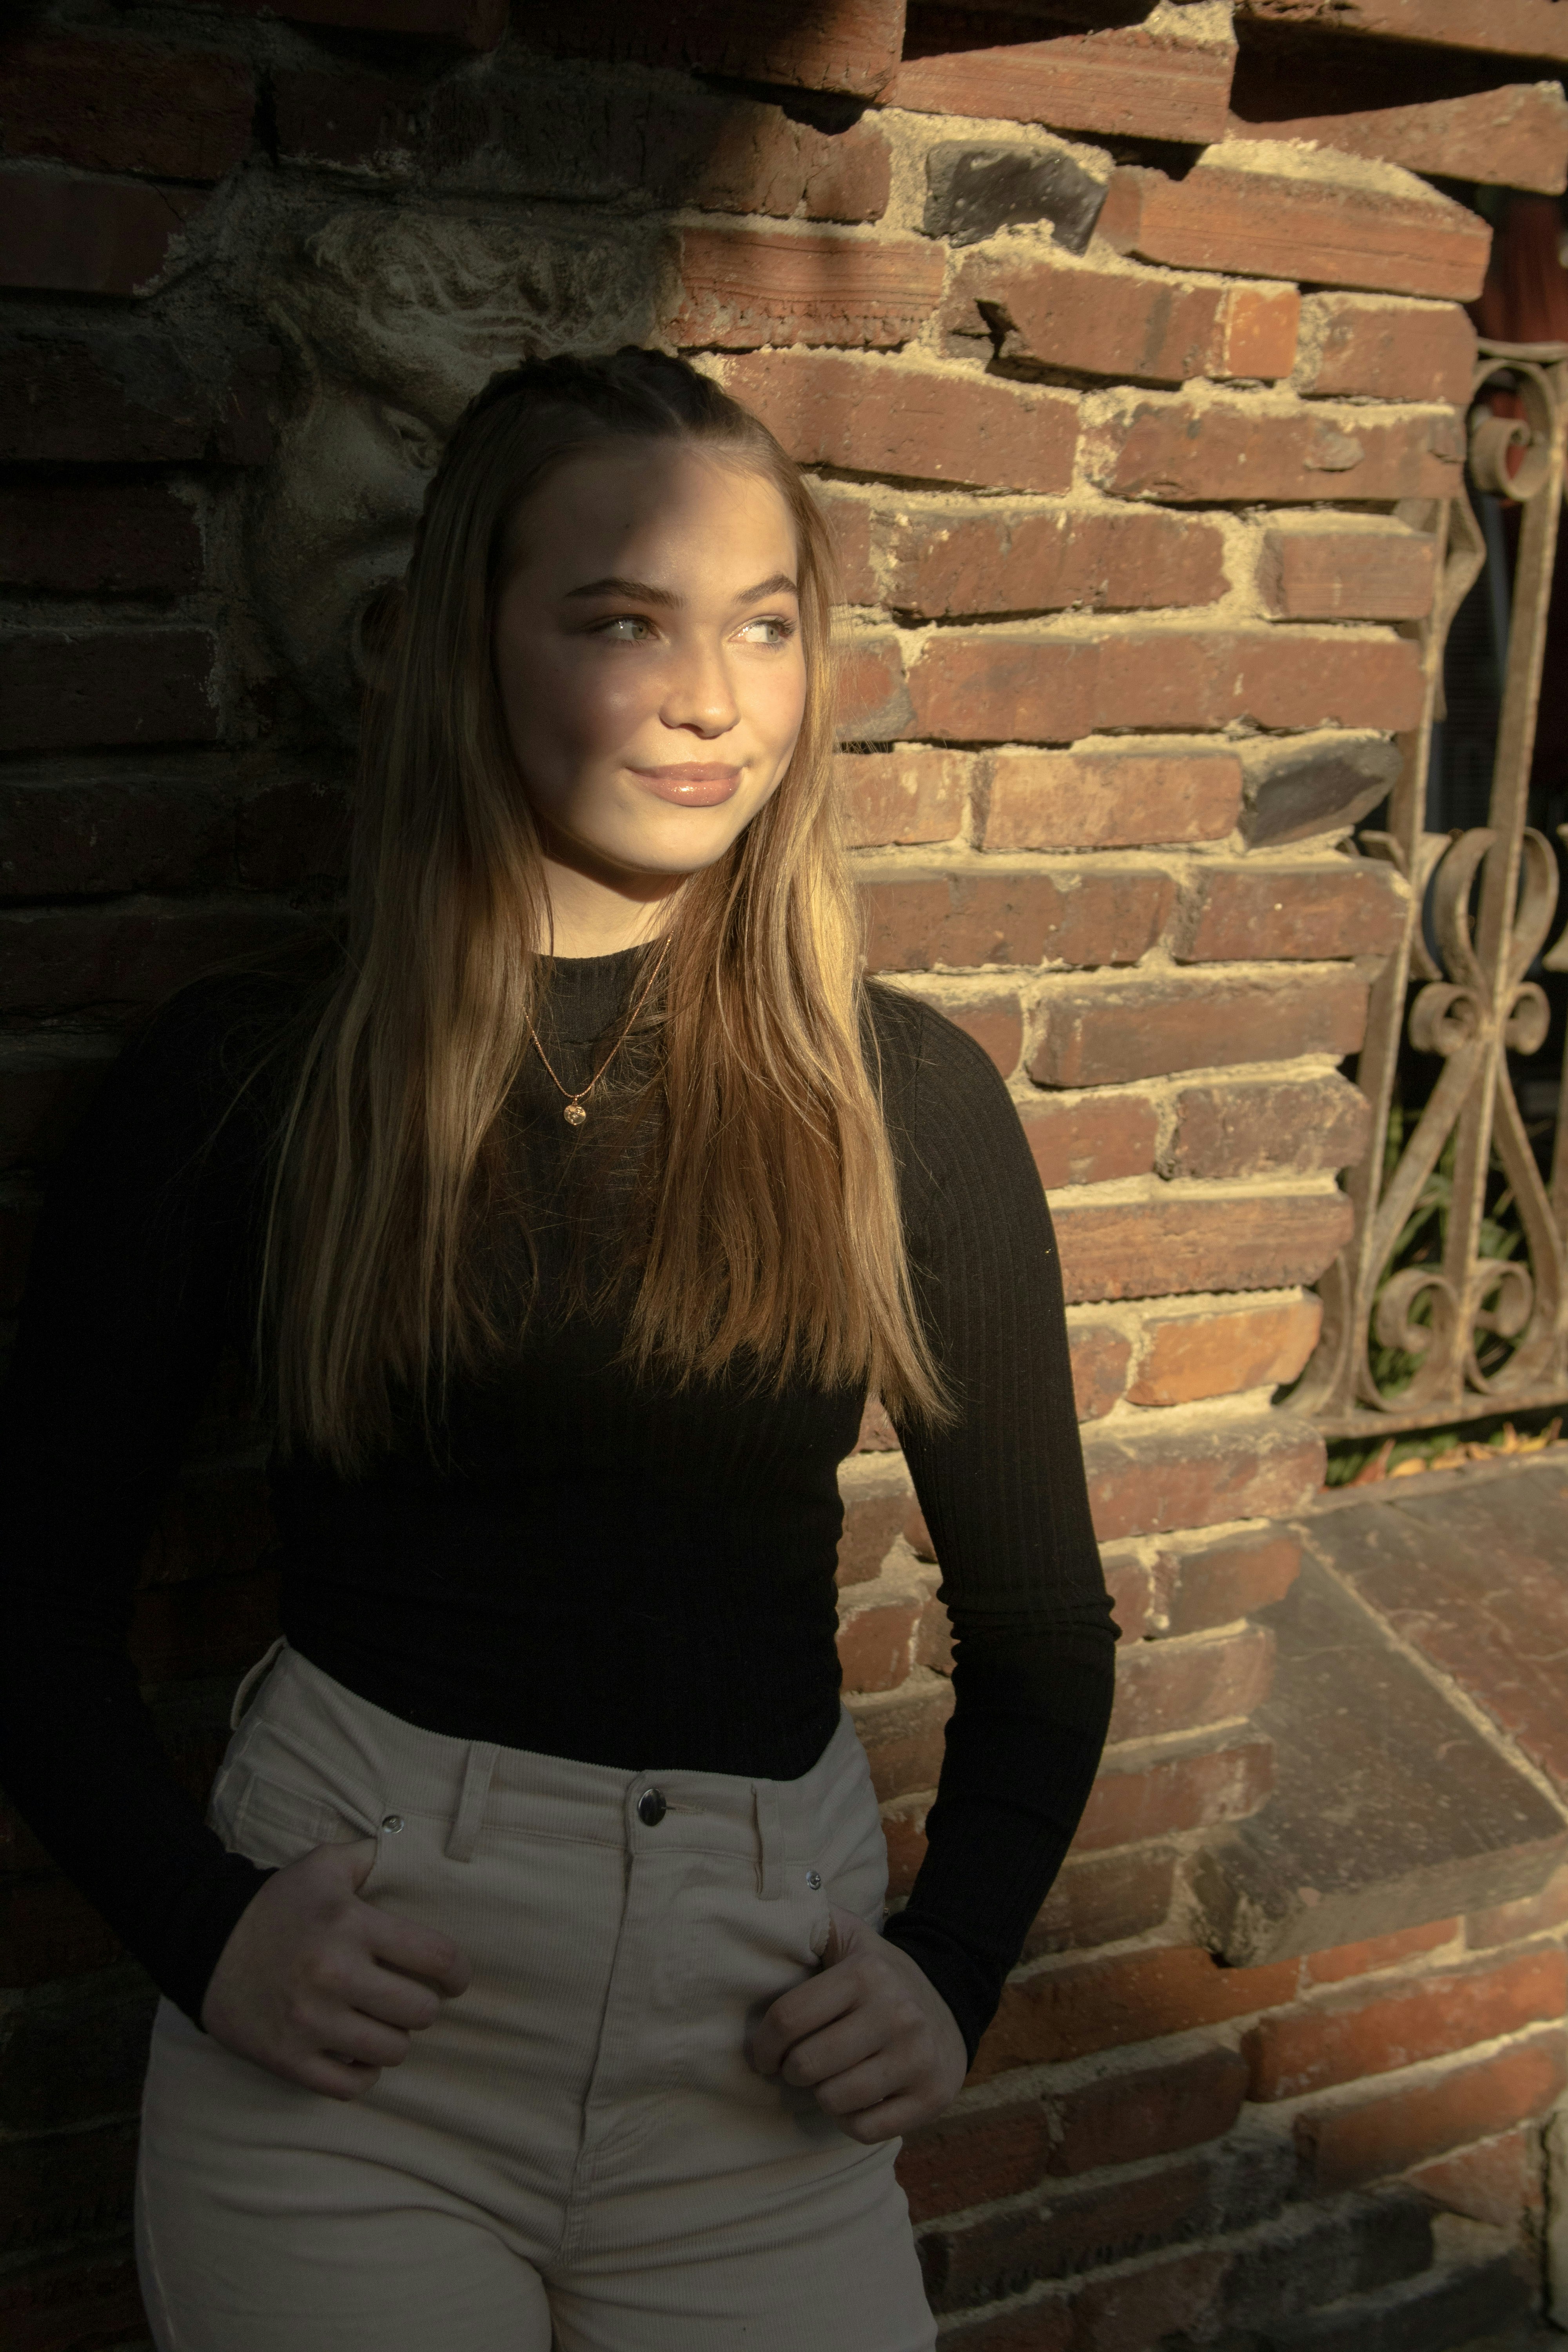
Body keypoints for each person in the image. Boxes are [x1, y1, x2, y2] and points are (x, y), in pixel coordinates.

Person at [0, 349, 1117, 2352]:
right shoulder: (251, 1082)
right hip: (361, 2042)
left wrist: (952, 1971)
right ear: (467, 650)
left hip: (753, 2052)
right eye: (622, 621)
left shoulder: (906, 1103)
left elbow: (1043, 1638)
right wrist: (205, 1933)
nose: (712, 698)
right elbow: (30, 1606)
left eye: (764, 626)